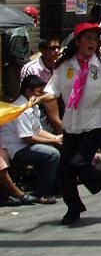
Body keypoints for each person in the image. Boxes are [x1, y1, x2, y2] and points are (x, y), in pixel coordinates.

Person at [45, 23, 101, 226]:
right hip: (71, 122)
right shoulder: (64, 66)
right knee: (65, 170)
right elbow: (52, 91)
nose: (92, 43)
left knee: (79, 163)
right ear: (77, 42)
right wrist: (37, 99)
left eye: (95, 39)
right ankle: (74, 207)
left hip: (96, 121)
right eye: (87, 38)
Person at [0, 75, 61, 204]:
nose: (42, 95)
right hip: (16, 147)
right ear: (28, 92)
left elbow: (38, 130)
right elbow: (28, 138)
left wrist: (57, 138)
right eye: (39, 92)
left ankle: (57, 184)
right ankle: (42, 193)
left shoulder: (33, 106)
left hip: (24, 143)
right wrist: (53, 141)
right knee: (51, 154)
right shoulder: (22, 108)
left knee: (59, 146)